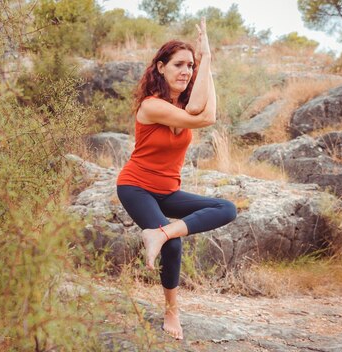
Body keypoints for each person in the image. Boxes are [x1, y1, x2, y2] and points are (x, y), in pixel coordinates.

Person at [116, 18, 237, 340]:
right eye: (179, 65)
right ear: (160, 67)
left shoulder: (182, 105)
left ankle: (159, 234)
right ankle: (172, 310)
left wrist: (206, 62)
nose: (186, 71)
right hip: (136, 186)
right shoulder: (152, 106)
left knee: (226, 208)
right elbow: (207, 114)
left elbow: (203, 110)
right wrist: (207, 59)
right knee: (174, 243)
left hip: (168, 191)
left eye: (191, 66)